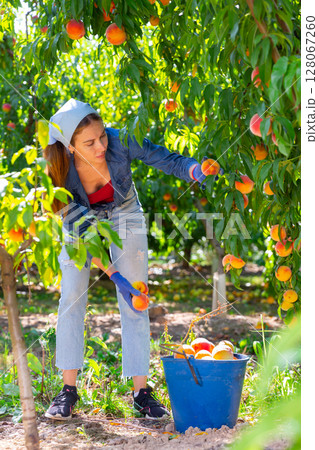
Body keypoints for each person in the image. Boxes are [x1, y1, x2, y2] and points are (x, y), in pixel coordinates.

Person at [42, 98, 208, 421]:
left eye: (102, 135)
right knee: (72, 294)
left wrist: (192, 169)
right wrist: (115, 276)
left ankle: (141, 393)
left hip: (124, 212)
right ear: (71, 147)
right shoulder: (59, 173)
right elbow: (85, 236)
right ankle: (68, 391)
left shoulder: (120, 141)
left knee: (137, 297)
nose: (102, 145)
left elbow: (161, 156)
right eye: (90, 142)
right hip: (80, 224)